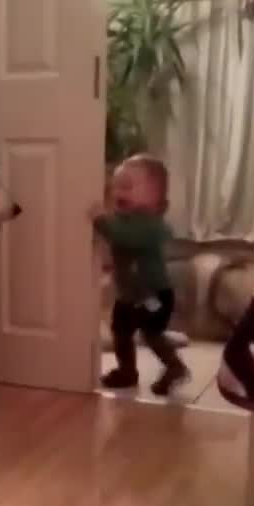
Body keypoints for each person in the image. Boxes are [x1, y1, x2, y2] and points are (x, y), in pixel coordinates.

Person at [89, 154, 189, 395]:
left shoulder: (152, 224)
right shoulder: (122, 219)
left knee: (152, 334)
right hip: (129, 295)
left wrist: (100, 221)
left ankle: (175, 367)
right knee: (120, 333)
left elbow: (126, 238)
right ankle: (127, 371)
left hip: (153, 295)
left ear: (155, 198)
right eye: (117, 186)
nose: (119, 191)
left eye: (127, 186)